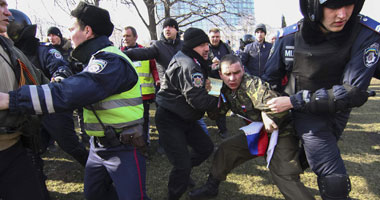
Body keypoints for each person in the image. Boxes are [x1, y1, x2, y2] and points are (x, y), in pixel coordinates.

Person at [0, 2, 150, 199]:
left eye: (71, 29)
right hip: (98, 148)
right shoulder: (93, 60)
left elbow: (71, 92)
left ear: (87, 31)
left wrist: (11, 100)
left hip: (124, 148)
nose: (68, 35)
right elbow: (70, 79)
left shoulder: (112, 61)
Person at [262, 0, 380, 199]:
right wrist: (266, 111)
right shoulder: (290, 37)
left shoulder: (365, 33)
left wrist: (296, 100)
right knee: (334, 178)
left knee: (313, 155)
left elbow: (353, 92)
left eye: (349, 4)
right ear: (313, 5)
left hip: (338, 111)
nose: (342, 14)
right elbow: (268, 81)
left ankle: (297, 162)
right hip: (307, 115)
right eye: (333, 6)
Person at [188, 54, 314, 200]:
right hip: (258, 132)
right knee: (226, 150)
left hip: (281, 132)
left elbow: (277, 108)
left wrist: (266, 113)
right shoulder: (222, 87)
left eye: (236, 73)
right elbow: (215, 115)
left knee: (283, 173)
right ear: (221, 75)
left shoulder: (252, 84)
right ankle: (211, 187)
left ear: (243, 69)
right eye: (227, 74)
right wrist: (212, 93)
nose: (232, 78)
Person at [7, 9, 88, 167]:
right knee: (33, 150)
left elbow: (61, 68)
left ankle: (97, 171)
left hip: (52, 108)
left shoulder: (44, 50)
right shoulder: (10, 54)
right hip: (28, 111)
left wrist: (56, 81)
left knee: (70, 145)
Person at [155, 27, 218, 200]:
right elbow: (198, 101)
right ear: (192, 46)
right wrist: (220, 96)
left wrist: (213, 74)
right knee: (181, 165)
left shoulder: (191, 58)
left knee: (205, 148)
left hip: (185, 117)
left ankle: (183, 174)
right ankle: (174, 195)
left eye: (207, 44)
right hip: (170, 119)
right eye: (202, 44)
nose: (207, 48)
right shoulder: (190, 65)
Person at [0, 0, 50, 199]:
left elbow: (40, 80)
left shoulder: (10, 49)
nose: (8, 13)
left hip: (14, 148)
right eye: (2, 5)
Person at [120, 26, 159, 145]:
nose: (125, 38)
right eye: (124, 36)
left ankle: (144, 143)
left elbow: (154, 68)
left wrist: (157, 80)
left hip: (144, 95)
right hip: (125, 95)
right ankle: (130, 143)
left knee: (144, 120)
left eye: (128, 36)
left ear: (135, 37)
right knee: (128, 121)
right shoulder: (119, 53)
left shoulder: (146, 52)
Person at [207, 27, 234, 138]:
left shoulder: (225, 47)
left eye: (217, 37)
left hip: (226, 79)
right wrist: (211, 66)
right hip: (213, 81)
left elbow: (233, 58)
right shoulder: (205, 48)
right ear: (209, 37)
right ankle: (222, 129)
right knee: (216, 106)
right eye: (213, 37)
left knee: (230, 101)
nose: (215, 39)